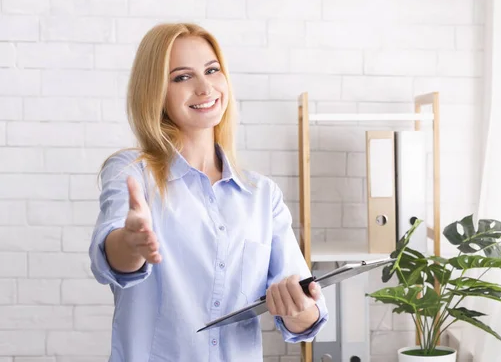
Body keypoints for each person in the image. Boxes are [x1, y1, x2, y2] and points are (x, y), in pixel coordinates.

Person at [88, 22, 328, 362]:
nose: (205, 87)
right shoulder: (132, 172)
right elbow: (111, 260)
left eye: (212, 70)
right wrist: (131, 242)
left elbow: (307, 317)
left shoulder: (262, 195)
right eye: (182, 77)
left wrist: (297, 306)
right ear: (155, 92)